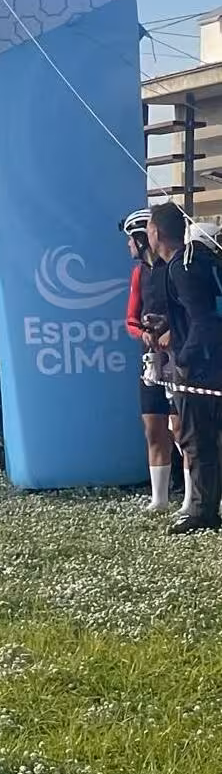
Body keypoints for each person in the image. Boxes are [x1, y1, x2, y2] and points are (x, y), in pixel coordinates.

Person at [156, 205, 222, 535]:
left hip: (201, 369)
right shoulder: (192, 263)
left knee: (197, 440)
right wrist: (167, 324)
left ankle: (201, 510)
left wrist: (183, 360)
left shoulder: (182, 267)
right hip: (208, 362)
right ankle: (204, 506)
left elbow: (203, 320)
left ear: (155, 233)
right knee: (204, 440)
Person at [122, 208, 182, 515]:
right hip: (150, 358)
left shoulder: (173, 268)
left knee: (180, 428)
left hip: (177, 355)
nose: (128, 247)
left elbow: (186, 312)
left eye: (130, 240)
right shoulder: (138, 274)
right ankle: (159, 498)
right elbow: (130, 318)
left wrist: (171, 332)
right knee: (153, 427)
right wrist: (142, 334)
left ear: (141, 238)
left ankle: (189, 496)